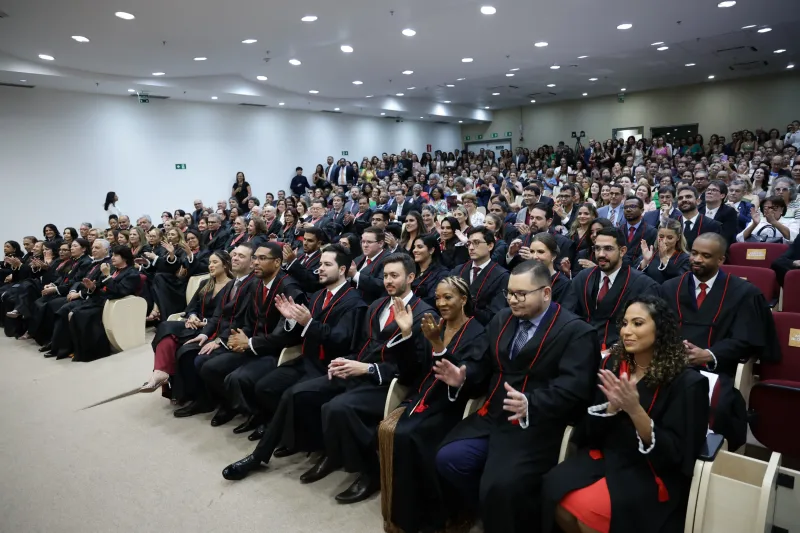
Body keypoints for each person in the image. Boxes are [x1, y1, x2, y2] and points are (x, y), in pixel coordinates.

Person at [435, 260, 600, 533]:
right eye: (509, 293)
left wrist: (532, 403)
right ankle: (486, 511)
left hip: (537, 423)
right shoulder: (501, 319)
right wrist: (464, 375)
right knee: (448, 459)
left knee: (501, 485)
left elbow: (575, 388)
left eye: (521, 294)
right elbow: (483, 362)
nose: (513, 300)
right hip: (494, 414)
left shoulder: (576, 332)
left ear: (546, 293)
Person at [542, 296, 710, 533]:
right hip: (611, 456)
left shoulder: (688, 384)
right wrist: (610, 409)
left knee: (588, 515)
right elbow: (590, 433)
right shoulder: (614, 367)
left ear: (660, 329)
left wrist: (635, 410)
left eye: (638, 324)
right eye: (624, 323)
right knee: (554, 493)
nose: (626, 332)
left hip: (651, 471)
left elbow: (677, 455)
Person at [221, 243, 366, 450]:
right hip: (308, 358)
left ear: (342, 270)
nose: (320, 268)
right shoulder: (317, 296)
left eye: (327, 264)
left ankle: (300, 442)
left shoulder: (354, 301)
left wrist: (308, 323)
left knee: (293, 394)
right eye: (320, 264)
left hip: (331, 364)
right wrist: (290, 320)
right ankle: (286, 430)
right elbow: (297, 332)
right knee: (265, 386)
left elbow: (340, 339)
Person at [379, 276, 488, 533]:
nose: (440, 303)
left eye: (448, 297)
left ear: (463, 300)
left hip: (454, 404)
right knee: (400, 434)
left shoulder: (478, 333)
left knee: (411, 435)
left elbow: (471, 380)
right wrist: (407, 332)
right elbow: (412, 371)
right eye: (437, 297)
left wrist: (438, 345)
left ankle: (435, 515)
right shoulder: (432, 324)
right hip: (424, 396)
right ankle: (407, 515)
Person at [198, 242, 307, 430]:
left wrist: (248, 342)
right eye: (255, 258)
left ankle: (260, 415)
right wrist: (238, 338)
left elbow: (284, 336)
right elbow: (249, 321)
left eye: (262, 258)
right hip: (254, 344)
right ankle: (238, 407)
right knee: (209, 366)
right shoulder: (256, 284)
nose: (256, 262)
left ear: (277, 262)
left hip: (277, 352)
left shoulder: (290, 289)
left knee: (237, 378)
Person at [660, 232, 780, 377]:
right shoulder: (670, 288)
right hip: (670, 369)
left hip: (718, 372)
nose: (697, 259)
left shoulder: (744, 293)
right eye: (694, 253)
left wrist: (709, 355)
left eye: (706, 256)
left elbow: (745, 340)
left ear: (721, 260)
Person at [172, 244, 258, 418]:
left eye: (241, 256)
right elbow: (218, 315)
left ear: (252, 263)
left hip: (238, 338)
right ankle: (201, 399)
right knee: (186, 351)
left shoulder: (254, 284)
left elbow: (244, 320)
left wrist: (220, 340)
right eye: (234, 255)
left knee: (202, 360)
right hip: (221, 333)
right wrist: (205, 334)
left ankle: (227, 404)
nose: (235, 258)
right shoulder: (232, 283)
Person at [140, 250, 232, 395]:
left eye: (215, 262)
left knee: (176, 342)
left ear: (226, 265)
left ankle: (168, 380)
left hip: (214, 329)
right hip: (195, 324)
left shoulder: (232, 286)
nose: (211, 266)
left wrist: (204, 322)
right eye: (209, 263)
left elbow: (226, 315)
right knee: (165, 330)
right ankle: (160, 373)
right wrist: (193, 316)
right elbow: (191, 307)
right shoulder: (205, 283)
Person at [569, 228, 659, 351]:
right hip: (581, 347)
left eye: (608, 249)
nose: (601, 254)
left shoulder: (643, 285)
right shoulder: (582, 278)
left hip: (622, 353)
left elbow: (648, 329)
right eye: (597, 248)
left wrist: (615, 350)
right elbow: (569, 314)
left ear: (622, 251)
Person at [67, 245, 141, 362]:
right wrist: (92, 287)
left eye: (116, 255)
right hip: (103, 301)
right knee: (73, 312)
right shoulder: (113, 270)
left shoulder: (132, 273)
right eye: (112, 255)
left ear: (125, 258)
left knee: (81, 315)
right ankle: (78, 350)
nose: (112, 258)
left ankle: (91, 352)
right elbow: (101, 289)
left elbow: (120, 292)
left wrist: (107, 276)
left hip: (116, 305)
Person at [45, 239, 113, 359]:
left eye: (97, 248)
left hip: (93, 298)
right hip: (83, 293)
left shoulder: (107, 265)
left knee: (64, 309)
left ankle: (63, 347)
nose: (94, 250)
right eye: (93, 248)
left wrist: (79, 294)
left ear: (106, 250)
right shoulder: (94, 262)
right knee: (56, 306)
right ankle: (56, 343)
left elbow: (97, 285)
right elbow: (80, 280)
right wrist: (73, 290)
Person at [27, 239, 92, 349]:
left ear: (84, 249)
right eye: (71, 246)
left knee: (50, 305)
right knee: (38, 302)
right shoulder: (72, 260)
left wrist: (56, 289)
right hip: (63, 288)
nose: (71, 248)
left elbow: (76, 281)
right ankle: (37, 334)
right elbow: (62, 276)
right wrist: (53, 284)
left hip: (71, 291)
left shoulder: (85, 262)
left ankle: (52, 340)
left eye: (74, 246)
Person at [451, 227, 510, 326]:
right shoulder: (457, 270)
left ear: (490, 246)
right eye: (469, 243)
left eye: (476, 242)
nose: (471, 248)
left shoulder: (502, 276)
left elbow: (495, 315)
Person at [526, 233, 576, 309]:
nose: (534, 256)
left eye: (540, 252)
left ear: (553, 256)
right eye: (532, 251)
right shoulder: (525, 278)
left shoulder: (564, 284)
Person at [636, 218, 691, 284]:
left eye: (670, 238)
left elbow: (681, 281)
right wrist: (645, 261)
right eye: (661, 236)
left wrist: (664, 258)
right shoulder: (650, 253)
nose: (664, 241)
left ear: (678, 238)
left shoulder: (685, 259)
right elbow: (636, 278)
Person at [347, 226, 389, 304]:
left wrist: (355, 275)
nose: (365, 245)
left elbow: (381, 284)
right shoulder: (359, 258)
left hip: (371, 304)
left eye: (369, 242)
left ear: (380, 243)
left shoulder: (389, 260)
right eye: (363, 242)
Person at [410, 233, 450, 308]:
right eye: (414, 247)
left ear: (431, 250)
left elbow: (433, 300)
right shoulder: (411, 271)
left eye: (420, 247)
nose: (415, 250)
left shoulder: (442, 274)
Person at [282, 227, 325, 294]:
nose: (305, 243)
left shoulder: (322, 260)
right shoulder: (300, 255)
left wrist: (293, 262)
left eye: (310, 241)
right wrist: (285, 262)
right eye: (304, 239)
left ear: (319, 243)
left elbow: (311, 281)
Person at [618, 196, 658, 266]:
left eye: (632, 206)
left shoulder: (652, 232)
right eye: (625, 207)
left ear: (642, 210)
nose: (628, 209)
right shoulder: (618, 230)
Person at [700, 180, 739, 246]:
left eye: (714, 190)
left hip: (718, 248)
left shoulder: (729, 212)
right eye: (708, 190)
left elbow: (725, 237)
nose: (709, 192)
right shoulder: (698, 210)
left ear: (722, 195)